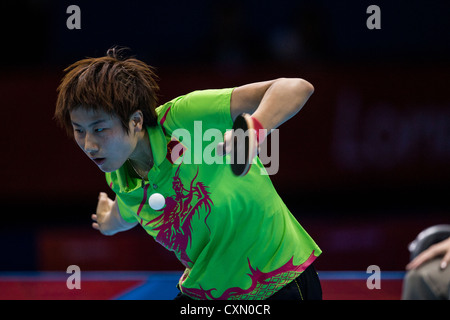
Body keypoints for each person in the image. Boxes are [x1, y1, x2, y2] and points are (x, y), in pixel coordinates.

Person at [54, 47, 322, 300]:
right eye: (79, 130)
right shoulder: (121, 176)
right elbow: (124, 214)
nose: (89, 144)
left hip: (280, 281)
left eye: (99, 129)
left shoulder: (184, 117)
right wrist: (106, 220)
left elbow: (296, 87)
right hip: (207, 292)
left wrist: (256, 127)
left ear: (135, 121)